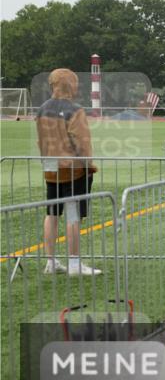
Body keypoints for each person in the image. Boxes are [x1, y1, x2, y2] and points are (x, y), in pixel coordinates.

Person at [36, 69, 101, 276]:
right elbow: (82, 143)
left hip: (50, 165)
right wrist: (88, 164)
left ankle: (51, 261)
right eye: (74, 82)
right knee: (73, 215)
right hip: (73, 168)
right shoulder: (75, 110)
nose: (77, 86)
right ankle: (74, 263)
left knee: (52, 213)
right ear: (68, 84)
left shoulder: (42, 109)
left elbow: (41, 140)